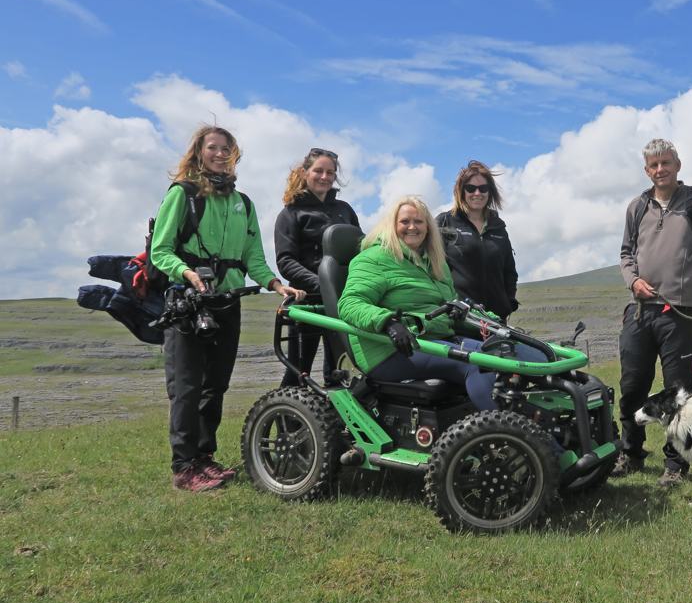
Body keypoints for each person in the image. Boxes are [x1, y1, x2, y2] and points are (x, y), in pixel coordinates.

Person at [151, 125, 305, 492]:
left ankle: (204, 458)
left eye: (227, 149)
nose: (221, 154)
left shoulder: (243, 203)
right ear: (199, 153)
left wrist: (275, 283)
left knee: (215, 386)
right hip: (188, 304)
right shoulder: (183, 195)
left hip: (226, 303)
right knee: (187, 387)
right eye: (213, 148)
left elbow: (253, 257)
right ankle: (184, 466)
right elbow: (161, 250)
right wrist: (185, 272)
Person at [613, 138, 692, 487]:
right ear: (646, 170)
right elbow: (625, 254)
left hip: (681, 313)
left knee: (679, 392)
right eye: (653, 165)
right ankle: (630, 453)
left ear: (677, 164)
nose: (660, 170)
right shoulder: (637, 207)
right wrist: (633, 281)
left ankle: (676, 464)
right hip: (640, 312)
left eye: (666, 163)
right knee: (632, 386)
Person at [337, 196, 502, 411]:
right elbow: (350, 303)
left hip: (433, 340)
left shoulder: (434, 261)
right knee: (477, 365)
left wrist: (493, 324)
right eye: (405, 221)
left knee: (500, 354)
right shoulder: (373, 258)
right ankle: (506, 432)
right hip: (392, 350)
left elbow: (453, 304)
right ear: (392, 225)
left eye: (419, 221)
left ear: (428, 227)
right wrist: (388, 323)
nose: (412, 227)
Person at [274, 147, 360, 387]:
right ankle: (288, 423)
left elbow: (360, 251)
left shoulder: (345, 210)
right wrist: (322, 286)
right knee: (300, 372)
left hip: (344, 302)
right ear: (305, 172)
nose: (324, 177)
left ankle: (335, 424)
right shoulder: (291, 213)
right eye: (318, 171)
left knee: (340, 371)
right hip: (308, 302)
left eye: (330, 172)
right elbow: (286, 261)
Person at [435, 160, 520, 321]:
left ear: (490, 192)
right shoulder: (445, 222)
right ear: (461, 191)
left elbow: (510, 271)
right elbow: (431, 267)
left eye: (483, 188)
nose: (477, 193)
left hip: (496, 320)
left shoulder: (498, 227)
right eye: (471, 188)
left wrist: (508, 303)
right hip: (460, 319)